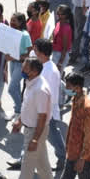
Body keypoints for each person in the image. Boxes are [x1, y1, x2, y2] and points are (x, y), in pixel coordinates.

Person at [1, 58, 58, 179]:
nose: (22, 70)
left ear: (34, 71)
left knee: (27, 167)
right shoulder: (31, 83)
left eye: (25, 68)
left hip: (35, 131)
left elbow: (42, 117)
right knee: (42, 163)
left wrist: (34, 139)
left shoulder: (40, 89)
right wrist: (19, 121)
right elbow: (27, 106)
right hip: (31, 128)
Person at [33, 39, 67, 170]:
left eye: (35, 50)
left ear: (41, 52)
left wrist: (42, 111)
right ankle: (25, 158)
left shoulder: (49, 71)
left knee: (52, 135)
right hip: (42, 109)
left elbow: (49, 94)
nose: (33, 52)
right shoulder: (43, 66)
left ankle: (63, 157)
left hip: (46, 110)